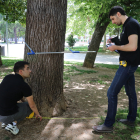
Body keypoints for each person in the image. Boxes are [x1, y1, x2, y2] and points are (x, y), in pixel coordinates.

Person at [93, 6, 140, 133]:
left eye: (113, 19)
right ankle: (131, 120)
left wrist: (115, 47)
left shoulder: (131, 24)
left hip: (128, 65)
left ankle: (108, 125)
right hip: (128, 63)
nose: (113, 22)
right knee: (131, 93)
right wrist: (114, 41)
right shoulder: (127, 25)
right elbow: (124, 43)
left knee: (111, 93)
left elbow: (133, 47)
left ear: (118, 14)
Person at [0, 61, 42, 135]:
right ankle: (12, 124)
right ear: (21, 71)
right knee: (28, 107)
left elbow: (12, 93)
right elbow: (32, 105)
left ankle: (6, 122)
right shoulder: (24, 86)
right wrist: (37, 114)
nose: (30, 71)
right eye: (28, 69)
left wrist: (22, 101)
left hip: (1, 112)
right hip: (5, 115)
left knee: (19, 105)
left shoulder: (8, 77)